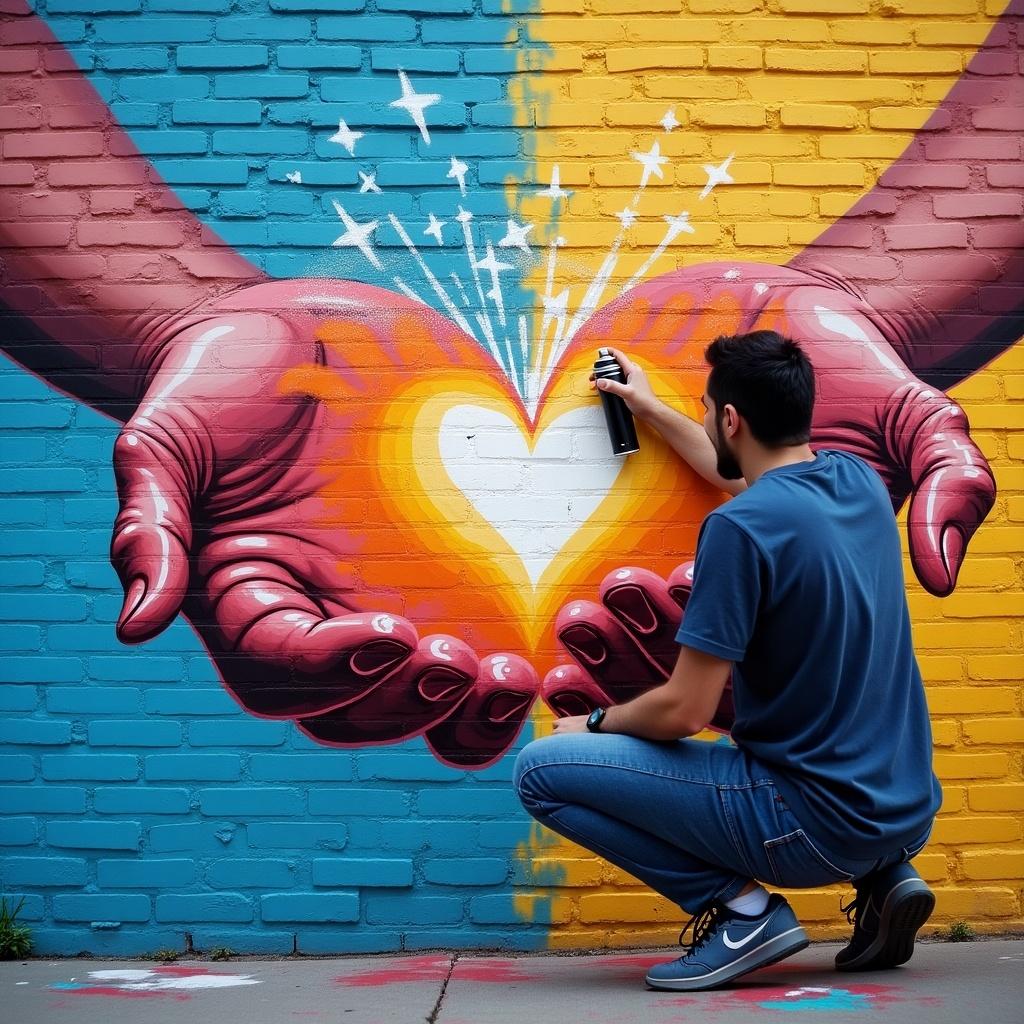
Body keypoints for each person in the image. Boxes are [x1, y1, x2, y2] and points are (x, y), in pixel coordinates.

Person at [514, 332, 942, 991]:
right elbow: (735, 472)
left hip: (809, 823)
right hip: (904, 809)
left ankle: (745, 914)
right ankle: (887, 875)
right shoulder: (855, 480)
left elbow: (685, 711)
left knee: (540, 771)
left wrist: (596, 724)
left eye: (709, 407)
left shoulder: (739, 531)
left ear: (732, 419)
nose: (709, 417)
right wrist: (649, 407)